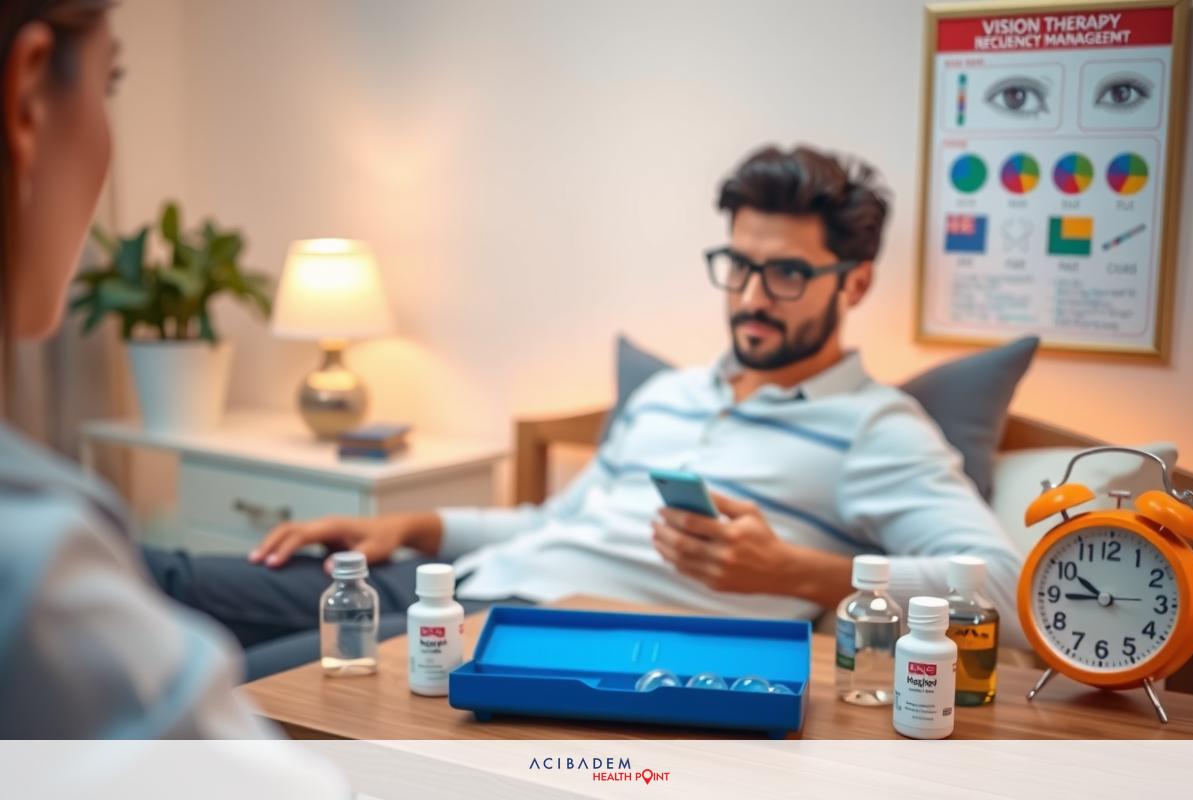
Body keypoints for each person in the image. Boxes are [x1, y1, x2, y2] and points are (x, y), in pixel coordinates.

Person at [147, 145, 1025, 676]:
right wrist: (408, 525)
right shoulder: (670, 394)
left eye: (788, 273)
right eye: (739, 265)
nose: (753, 296)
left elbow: (1003, 589)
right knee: (163, 577)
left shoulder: (875, 427)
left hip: (531, 636)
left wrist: (798, 574)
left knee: (210, 683)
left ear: (856, 282)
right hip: (437, 586)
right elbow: (555, 520)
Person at [0, 4, 342, 788]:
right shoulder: (30, 554)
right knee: (167, 569)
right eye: (111, 81)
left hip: (491, 589)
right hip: (453, 561)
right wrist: (419, 523)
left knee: (162, 575)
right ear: (27, 103)